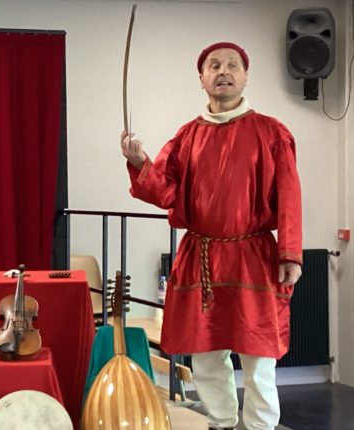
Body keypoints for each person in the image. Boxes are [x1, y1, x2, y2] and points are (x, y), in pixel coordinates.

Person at [121, 42, 303, 430]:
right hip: (201, 254)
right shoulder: (188, 136)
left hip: (253, 254)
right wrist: (139, 162)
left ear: (245, 75)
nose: (224, 71)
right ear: (201, 79)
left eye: (232, 65)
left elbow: (289, 195)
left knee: (258, 353)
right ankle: (220, 420)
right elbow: (164, 190)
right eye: (214, 65)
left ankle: (260, 426)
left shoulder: (272, 132)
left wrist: (290, 254)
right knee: (205, 350)